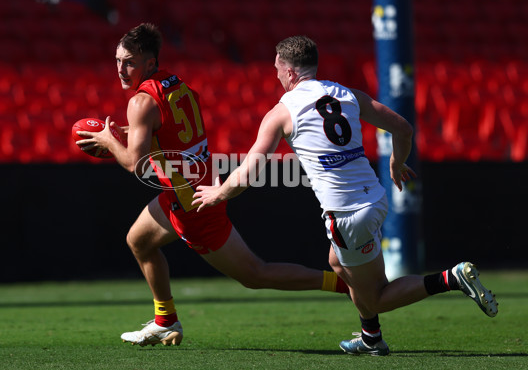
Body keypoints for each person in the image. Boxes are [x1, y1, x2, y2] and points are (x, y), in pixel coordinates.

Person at [192, 35, 498, 355]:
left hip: (348, 214)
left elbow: (248, 174)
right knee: (336, 262)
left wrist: (219, 193)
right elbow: (404, 129)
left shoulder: (281, 113)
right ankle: (371, 338)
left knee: (376, 296)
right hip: (375, 197)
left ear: (291, 72)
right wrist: (396, 163)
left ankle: (451, 279)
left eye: (278, 69)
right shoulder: (346, 94)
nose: (276, 75)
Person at [75, 23, 349, 347]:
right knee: (139, 241)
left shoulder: (140, 102)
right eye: (118, 60)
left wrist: (109, 140)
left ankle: (342, 284)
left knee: (255, 275)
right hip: (189, 187)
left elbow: (134, 163)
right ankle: (165, 320)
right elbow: (163, 132)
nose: (120, 68)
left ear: (149, 63)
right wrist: (126, 134)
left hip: (193, 204)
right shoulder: (174, 84)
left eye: (129, 62)